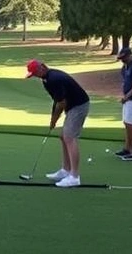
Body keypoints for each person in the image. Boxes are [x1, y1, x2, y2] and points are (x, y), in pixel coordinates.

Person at [26, 59, 90, 188]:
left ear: (42, 67)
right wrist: (52, 119)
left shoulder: (54, 78)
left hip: (79, 106)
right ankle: (66, 170)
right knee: (63, 136)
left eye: (35, 72)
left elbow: (62, 103)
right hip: (72, 107)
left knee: (69, 138)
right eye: (33, 74)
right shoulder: (46, 80)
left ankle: (74, 177)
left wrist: (55, 119)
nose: (35, 76)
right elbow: (56, 100)